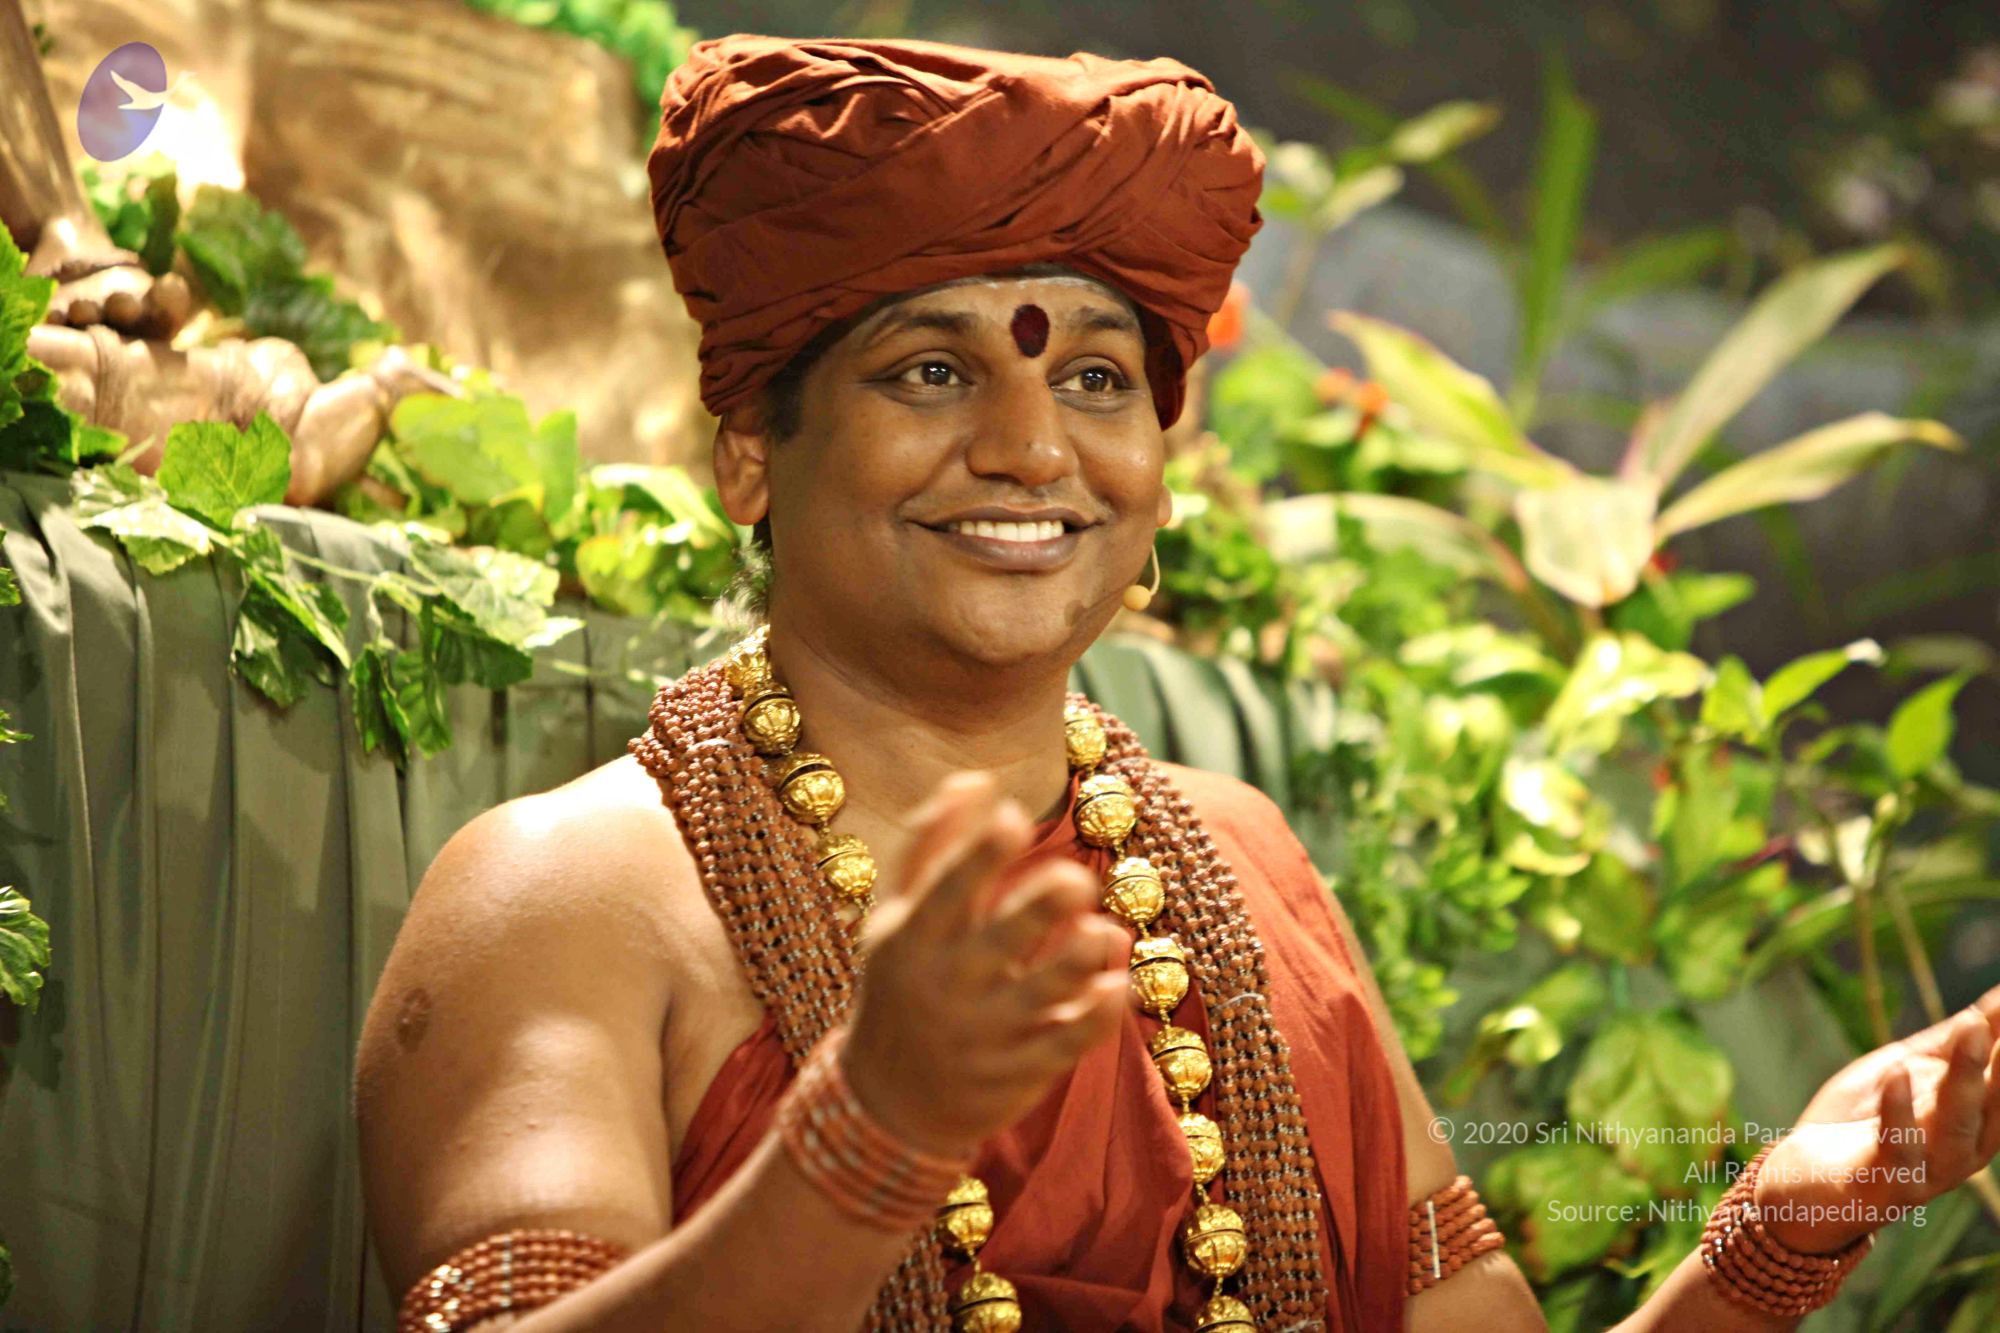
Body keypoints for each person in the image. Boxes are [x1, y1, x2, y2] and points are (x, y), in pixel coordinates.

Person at [354, 34, 2000, 1333]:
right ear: (745, 455)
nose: (1030, 448)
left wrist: (1779, 1237)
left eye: (1093, 375)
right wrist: (870, 1142)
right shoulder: (565, 895)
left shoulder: (1244, 866)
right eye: (930, 371)